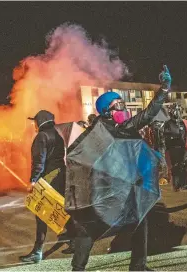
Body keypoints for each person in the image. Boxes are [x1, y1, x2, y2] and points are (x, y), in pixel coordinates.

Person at [69, 65, 172, 271]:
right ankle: (77, 268)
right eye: (118, 105)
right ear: (106, 111)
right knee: (89, 229)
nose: (123, 108)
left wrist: (164, 90)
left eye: (123, 104)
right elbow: (75, 156)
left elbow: (147, 115)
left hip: (126, 187)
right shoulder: (95, 134)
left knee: (139, 221)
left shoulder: (124, 127)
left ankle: (138, 266)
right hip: (105, 191)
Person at [19, 110, 76, 263]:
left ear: (40, 121)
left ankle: (37, 251)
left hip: (48, 178)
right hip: (61, 175)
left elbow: (39, 161)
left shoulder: (41, 136)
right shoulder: (58, 133)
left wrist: (33, 181)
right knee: (62, 209)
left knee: (41, 212)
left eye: (35, 122)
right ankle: (74, 241)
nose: (34, 125)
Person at [164, 104, 187, 191]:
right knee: (176, 166)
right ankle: (176, 184)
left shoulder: (181, 123)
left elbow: (185, 134)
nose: (178, 113)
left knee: (183, 165)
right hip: (174, 148)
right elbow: (166, 136)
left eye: (179, 111)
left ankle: (184, 184)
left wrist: (186, 137)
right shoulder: (168, 123)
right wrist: (175, 138)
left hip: (182, 147)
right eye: (176, 111)